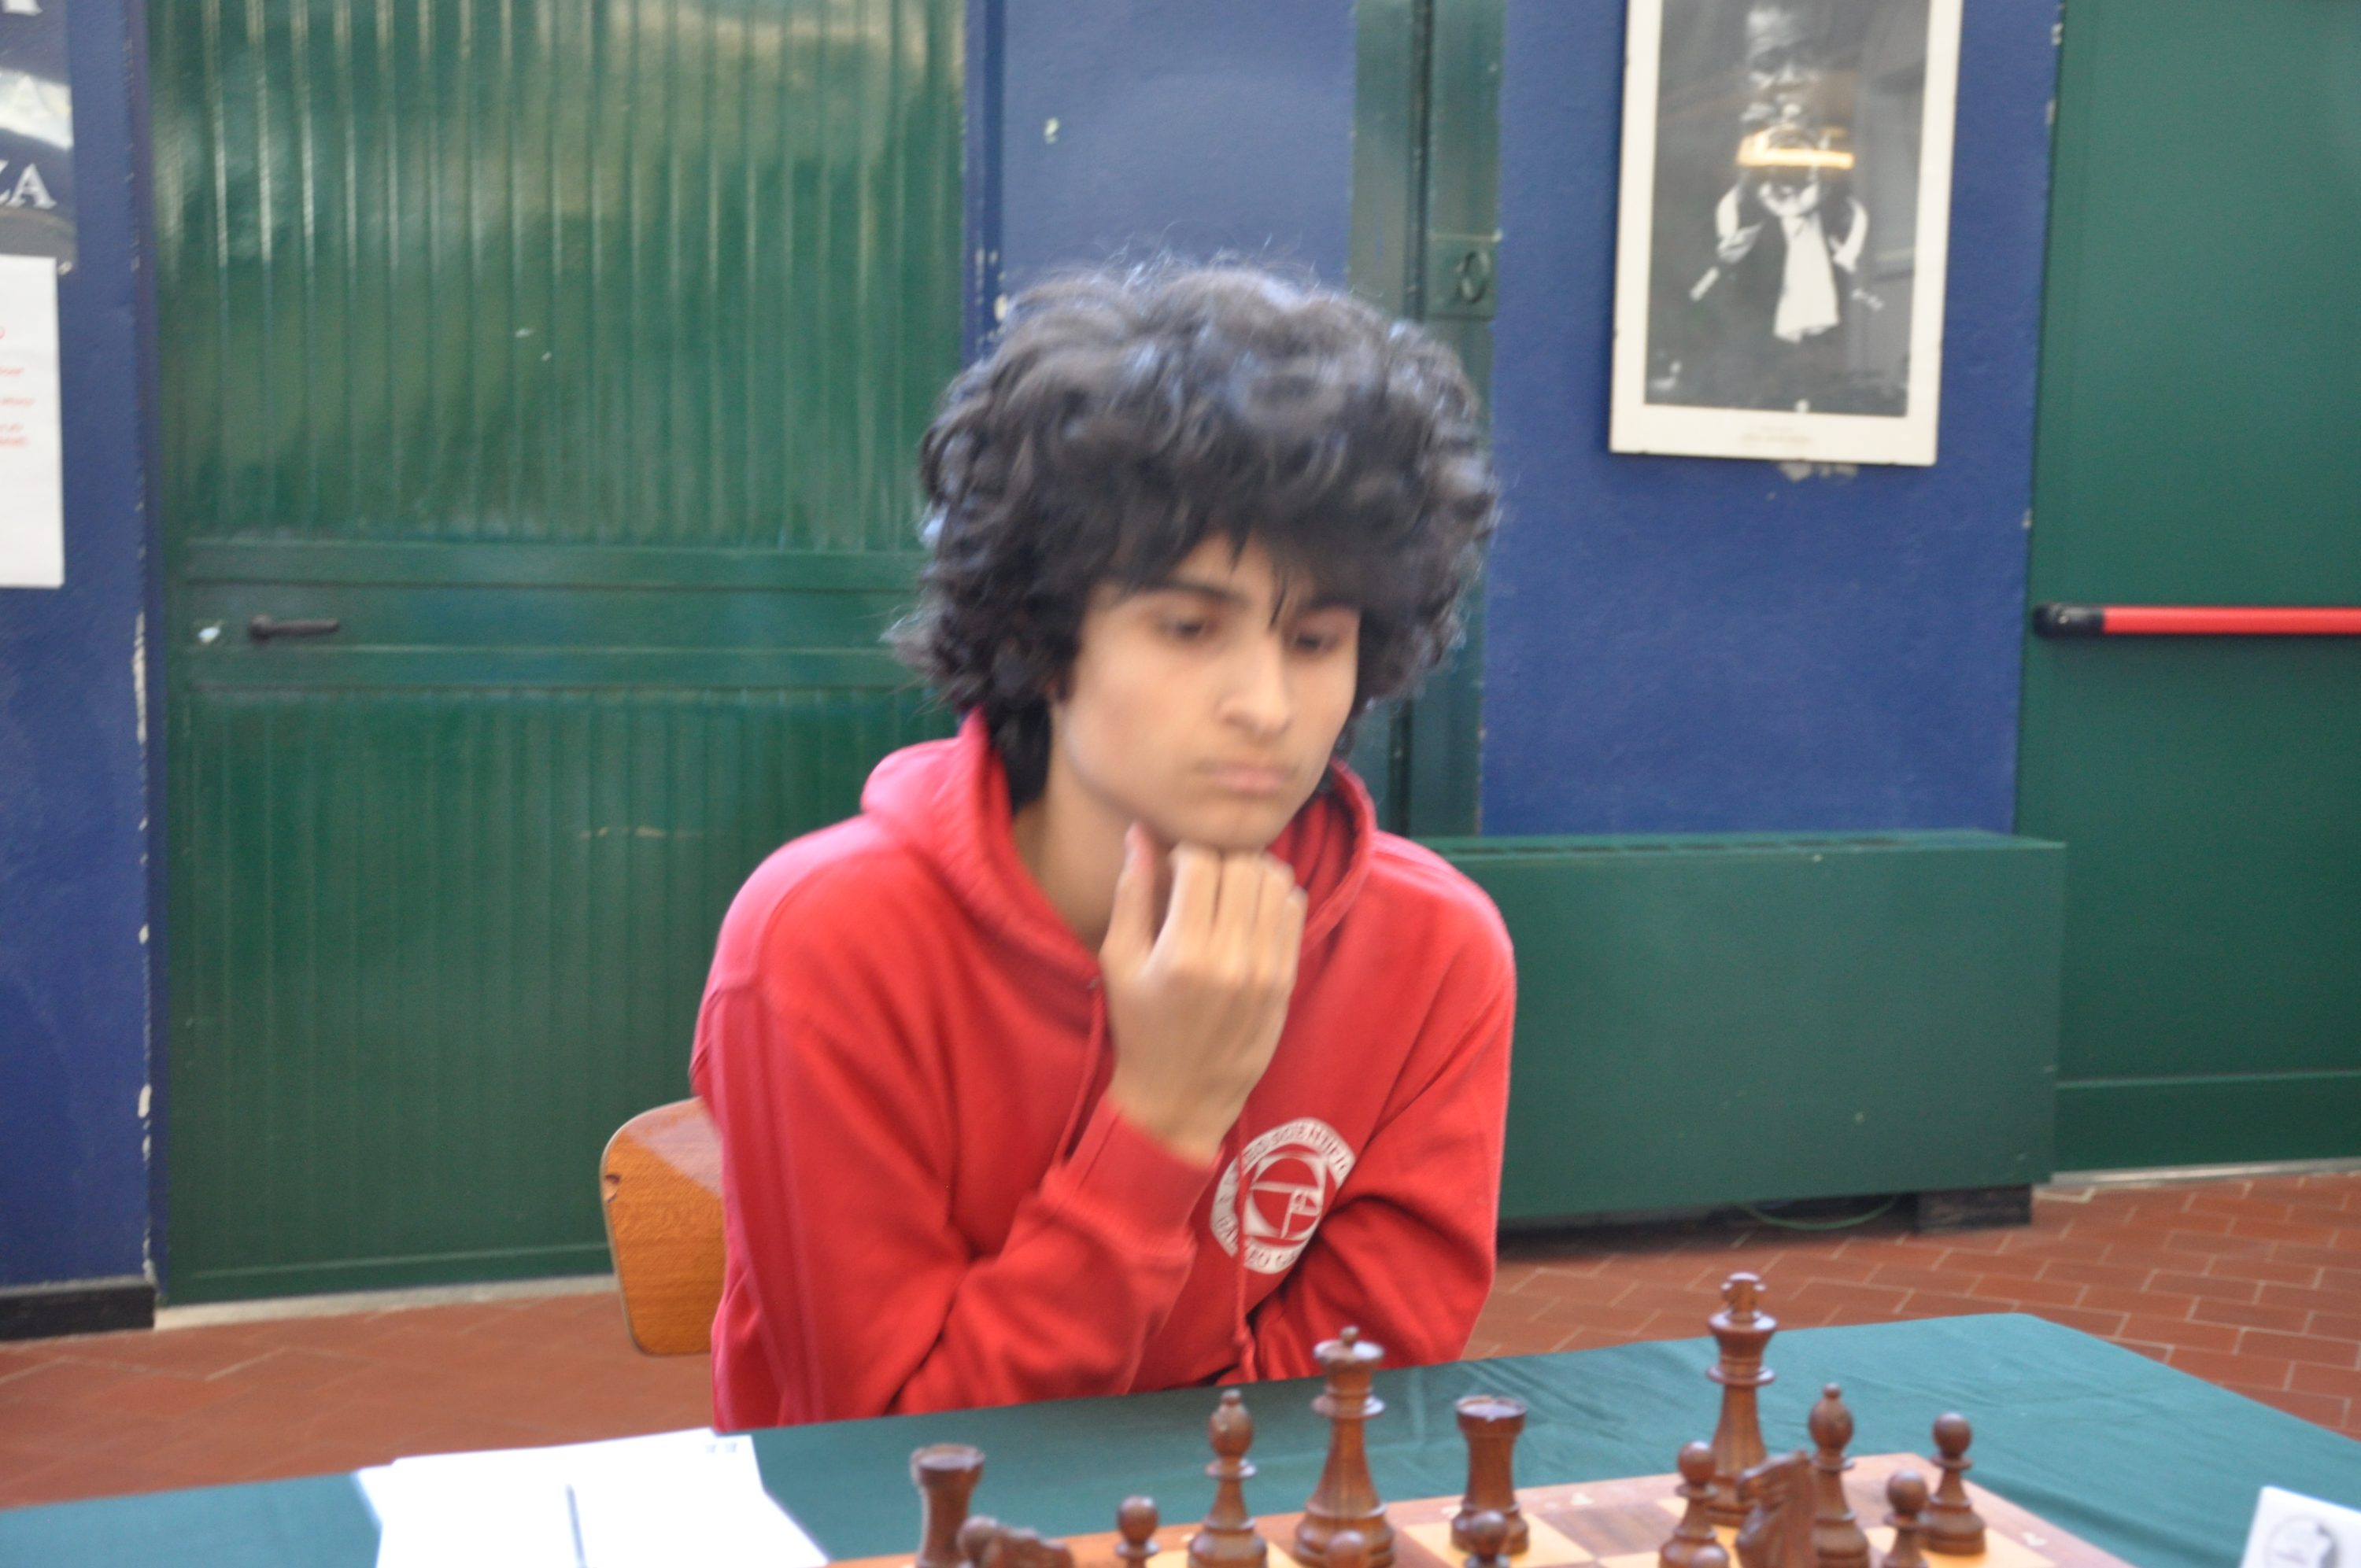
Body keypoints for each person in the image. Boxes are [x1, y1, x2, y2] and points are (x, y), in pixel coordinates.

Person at [690, 263, 1515, 1430]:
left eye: (1317, 637)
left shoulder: (1433, 951)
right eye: (1189, 626)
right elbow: (899, 1451)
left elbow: (1347, 1410)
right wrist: (1165, 1121)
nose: (1267, 704)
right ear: (1042, 630)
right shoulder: (826, 940)